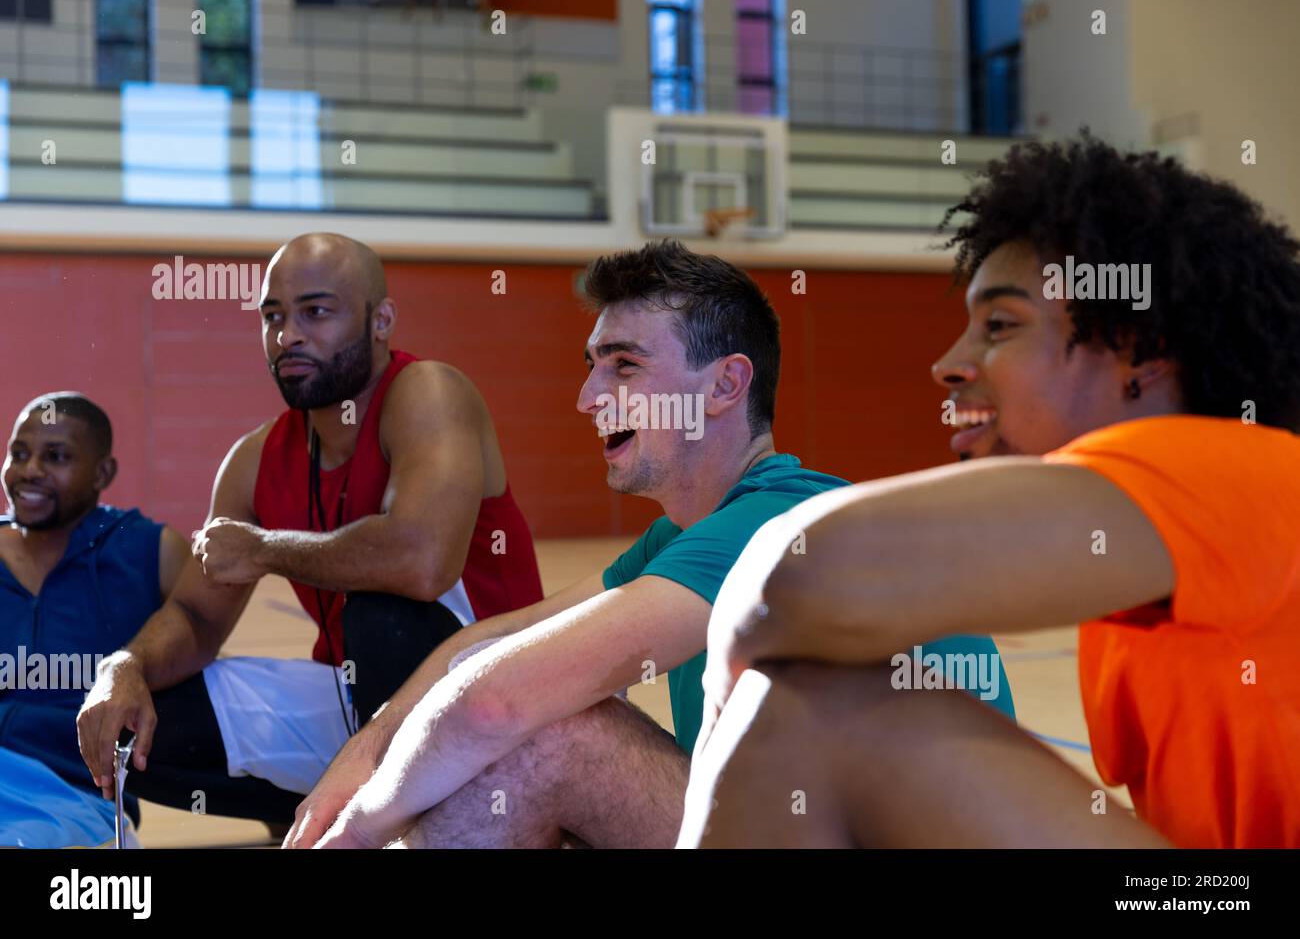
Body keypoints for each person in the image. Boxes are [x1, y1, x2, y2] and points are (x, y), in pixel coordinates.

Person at [679, 133, 1300, 849]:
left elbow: (801, 573)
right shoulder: (1178, 539)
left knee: (813, 705)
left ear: (1144, 350)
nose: (947, 364)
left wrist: (726, 686)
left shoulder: (1231, 464)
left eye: (999, 326)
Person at [286, 239, 1013, 849]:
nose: (589, 396)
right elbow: (485, 644)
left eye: (624, 365)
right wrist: (365, 747)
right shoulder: (687, 534)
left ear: (726, 384)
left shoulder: (778, 524)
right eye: (592, 364)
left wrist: (351, 832)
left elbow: (493, 703)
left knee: (542, 738)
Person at [76, 232, 542, 826]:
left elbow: (422, 563)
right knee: (132, 723)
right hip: (367, 707)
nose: (288, 335)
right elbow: (196, 617)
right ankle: (332, 811)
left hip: (498, 705)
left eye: (315, 312)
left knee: (382, 617)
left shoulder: (429, 394)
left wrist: (267, 550)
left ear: (382, 320)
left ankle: (450, 820)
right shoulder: (254, 460)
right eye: (273, 316)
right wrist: (124, 668)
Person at [0, 393, 188, 847]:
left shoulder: (151, 551)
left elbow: (200, 661)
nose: (29, 471)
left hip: (75, 796)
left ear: (103, 473)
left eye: (56, 457)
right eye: (19, 453)